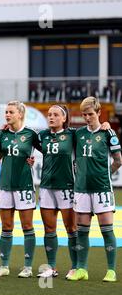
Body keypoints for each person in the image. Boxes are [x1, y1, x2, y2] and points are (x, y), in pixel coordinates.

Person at [68, 96, 121, 282]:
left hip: (102, 190)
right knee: (82, 231)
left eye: (90, 114)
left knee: (107, 230)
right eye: (84, 114)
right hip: (81, 190)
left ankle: (111, 270)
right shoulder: (78, 134)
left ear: (98, 113)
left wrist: (105, 174)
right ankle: (82, 269)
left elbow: (118, 160)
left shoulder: (108, 133)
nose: (87, 117)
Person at [0, 100, 40, 278]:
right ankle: (4, 265)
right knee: (6, 227)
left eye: (11, 112)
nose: (7, 115)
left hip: (24, 186)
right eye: (6, 112)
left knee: (27, 226)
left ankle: (27, 267)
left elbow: (47, 151)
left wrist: (33, 159)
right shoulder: (1, 134)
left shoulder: (31, 134)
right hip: (5, 186)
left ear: (20, 114)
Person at [36, 104, 77, 279]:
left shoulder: (73, 135)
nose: (51, 117)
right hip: (46, 188)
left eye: (55, 115)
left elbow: (93, 132)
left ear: (64, 118)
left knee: (71, 229)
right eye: (49, 114)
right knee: (49, 229)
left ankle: (76, 267)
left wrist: (105, 126)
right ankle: (51, 267)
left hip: (67, 187)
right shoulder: (42, 135)